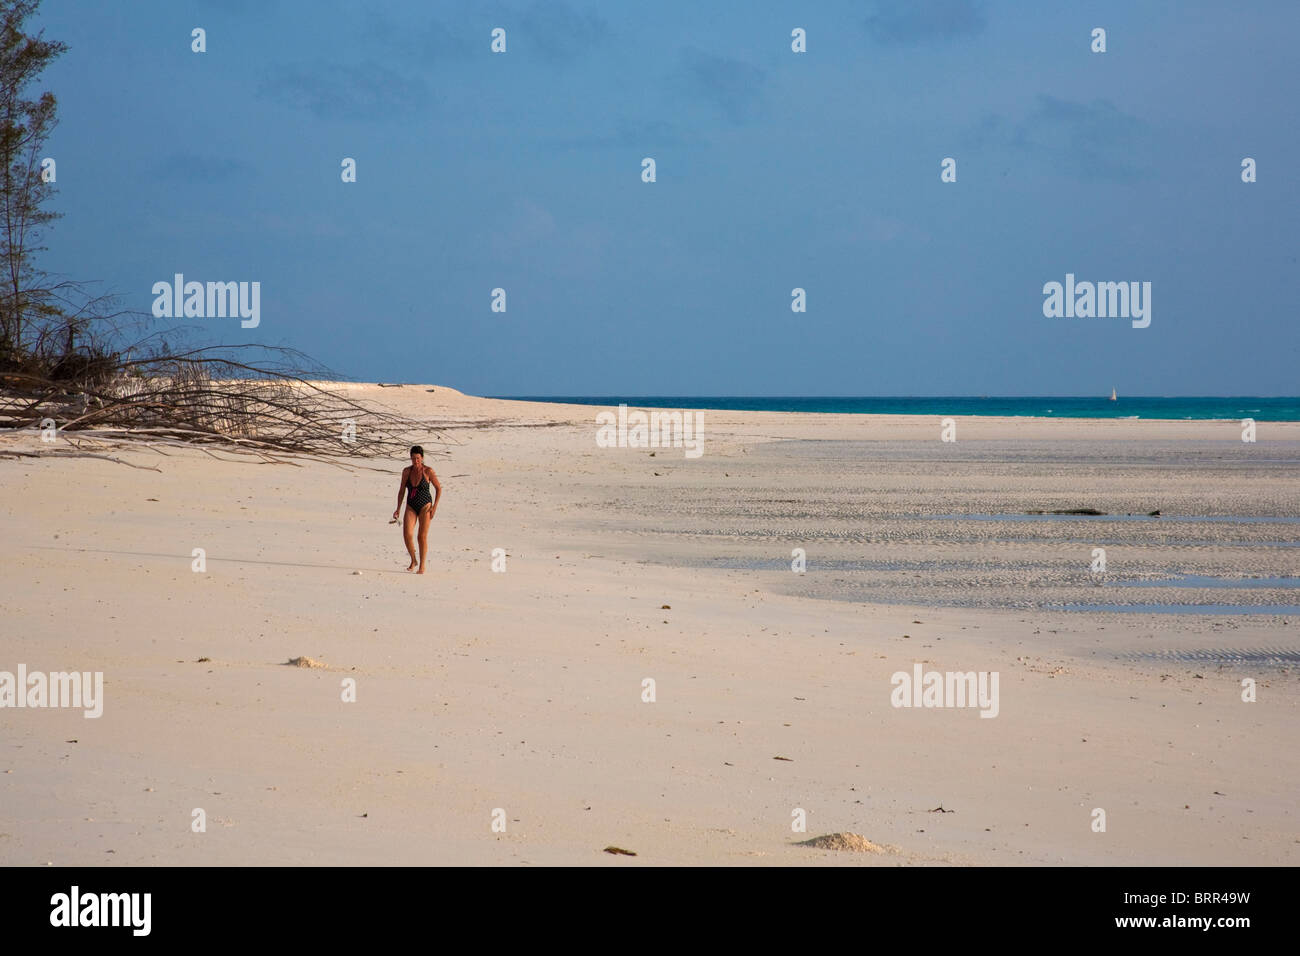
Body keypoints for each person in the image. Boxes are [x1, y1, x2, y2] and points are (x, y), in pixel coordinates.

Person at [393, 445, 442, 574]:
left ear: (422, 458)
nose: (416, 461)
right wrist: (398, 508)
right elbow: (402, 490)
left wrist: (434, 507)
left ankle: (422, 566)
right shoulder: (407, 472)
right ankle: (414, 560)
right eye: (413, 458)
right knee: (407, 534)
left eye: (418, 458)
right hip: (411, 505)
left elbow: (439, 489)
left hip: (425, 505)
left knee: (421, 536)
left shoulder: (428, 471)